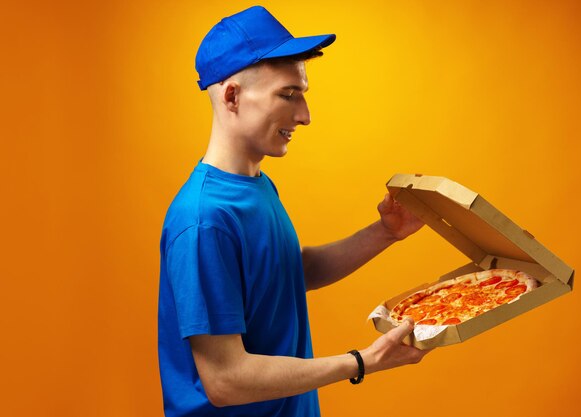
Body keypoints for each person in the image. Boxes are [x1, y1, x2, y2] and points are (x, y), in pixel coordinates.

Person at [158, 6, 431, 417]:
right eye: (287, 95)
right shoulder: (204, 219)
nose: (304, 115)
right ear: (232, 95)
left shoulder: (257, 186)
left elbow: (285, 273)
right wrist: (362, 362)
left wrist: (384, 232)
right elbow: (225, 380)